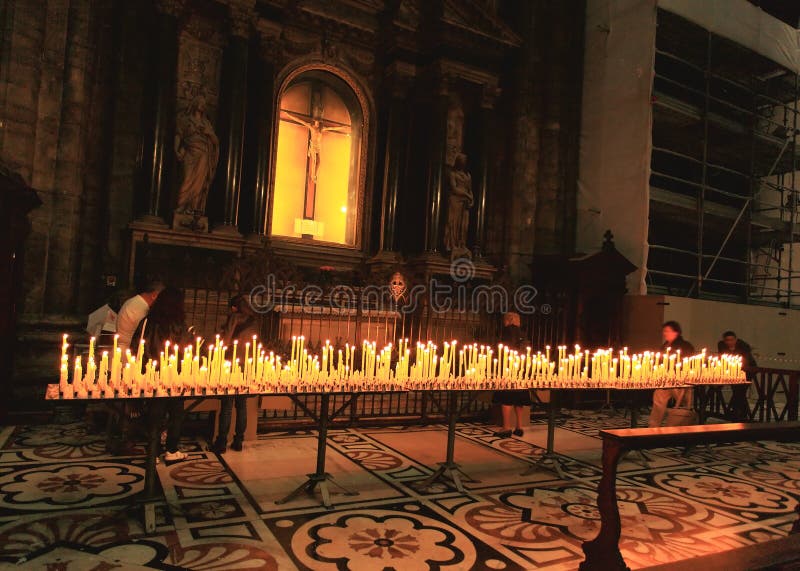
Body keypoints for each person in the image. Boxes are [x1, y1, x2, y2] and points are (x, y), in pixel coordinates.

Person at [134, 286, 191, 462]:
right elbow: (186, 349)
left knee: (154, 411)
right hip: (174, 373)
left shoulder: (148, 321)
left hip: (153, 371)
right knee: (176, 412)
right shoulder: (179, 324)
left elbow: (137, 345)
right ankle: (172, 449)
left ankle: (154, 449)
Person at [211, 294, 259, 454]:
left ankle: (222, 441)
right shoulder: (253, 320)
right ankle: (239, 440)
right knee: (242, 404)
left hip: (231, 362)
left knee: (227, 405)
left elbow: (226, 340)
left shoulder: (234, 318)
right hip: (246, 363)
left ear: (233, 307)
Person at [492, 312, 533, 438]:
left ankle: (506, 427)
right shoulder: (522, 333)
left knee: (507, 397)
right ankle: (519, 427)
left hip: (508, 366)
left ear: (508, 320)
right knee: (519, 397)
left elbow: (503, 347)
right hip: (521, 367)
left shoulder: (506, 331)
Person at [649, 321, 695, 428]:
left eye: (667, 331)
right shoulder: (664, 346)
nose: (665, 333)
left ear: (676, 332)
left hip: (679, 380)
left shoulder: (685, 346)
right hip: (665, 380)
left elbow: (687, 362)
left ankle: (684, 424)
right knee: (658, 402)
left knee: (684, 403)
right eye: (664, 331)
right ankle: (653, 426)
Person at [718, 330, 756, 420]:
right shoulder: (722, 346)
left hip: (747, 370)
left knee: (740, 391)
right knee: (737, 391)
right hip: (732, 371)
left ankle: (739, 412)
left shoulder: (743, 347)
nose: (729, 342)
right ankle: (740, 412)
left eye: (731, 340)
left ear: (736, 339)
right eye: (727, 340)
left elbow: (746, 361)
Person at [116, 281, 164, 353]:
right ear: (154, 295)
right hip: (128, 351)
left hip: (124, 348)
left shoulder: (133, 301)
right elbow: (143, 334)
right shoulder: (140, 308)